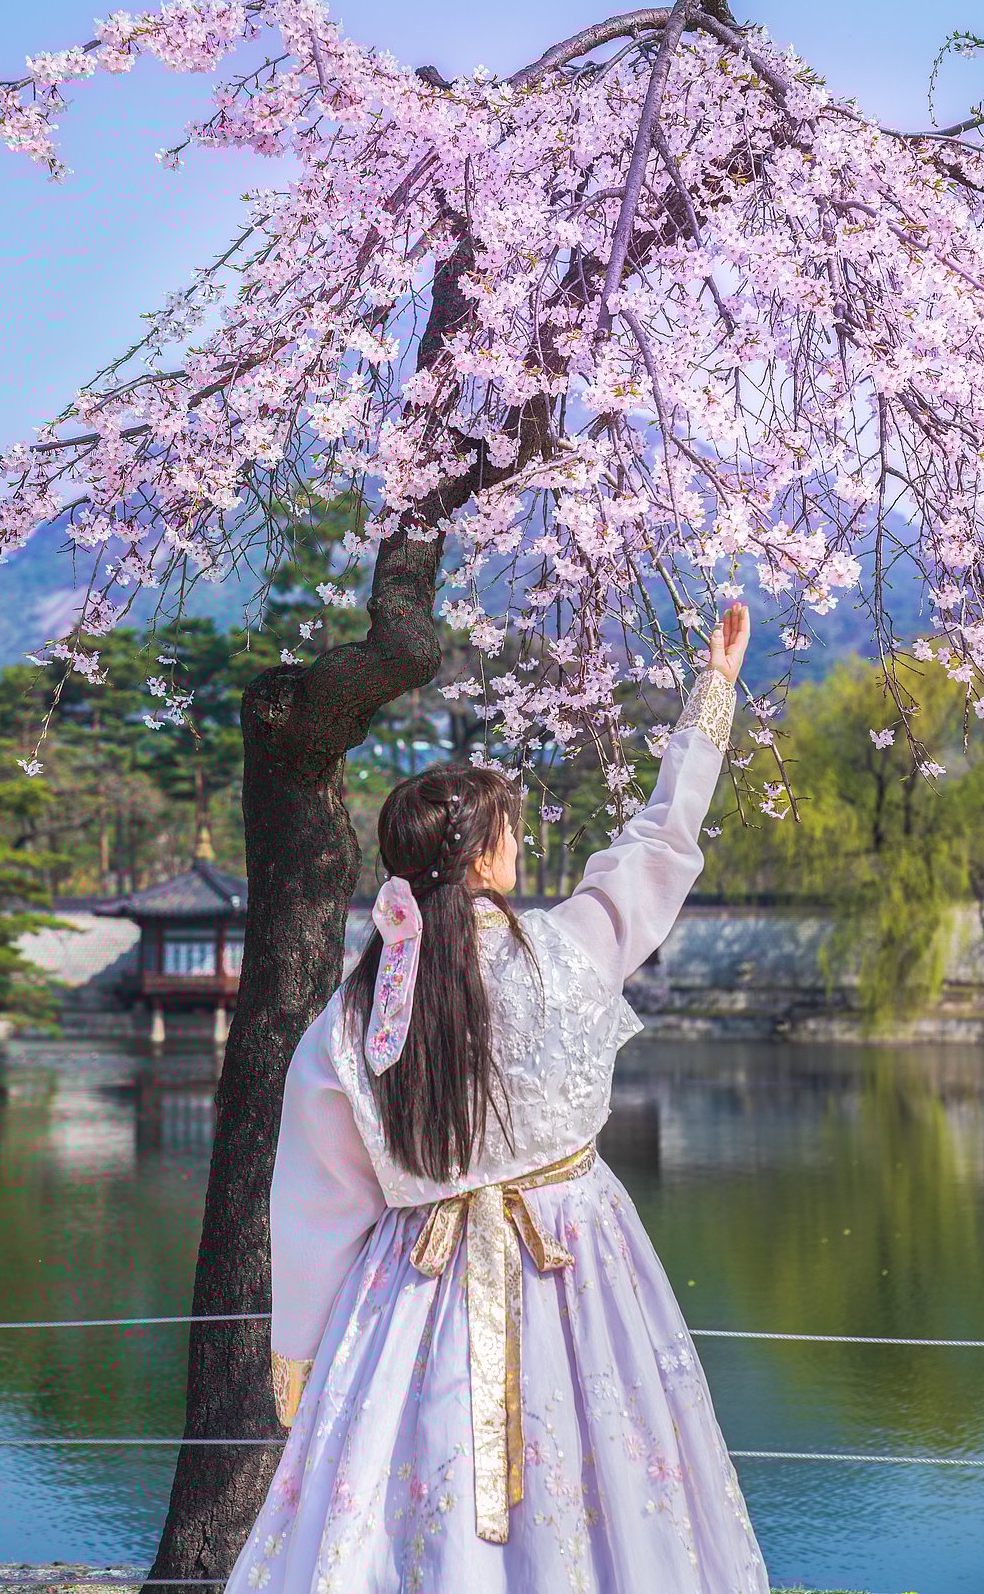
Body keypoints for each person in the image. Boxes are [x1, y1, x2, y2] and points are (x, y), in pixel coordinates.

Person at [223, 601, 769, 1594]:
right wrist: (712, 696)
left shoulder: (355, 1017)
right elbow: (659, 842)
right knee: (603, 1482)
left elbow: (314, 1204)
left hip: (413, 1291)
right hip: (576, 1266)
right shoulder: (572, 948)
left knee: (410, 1505)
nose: (519, 843)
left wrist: (298, 1355)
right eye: (509, 831)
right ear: (483, 857)